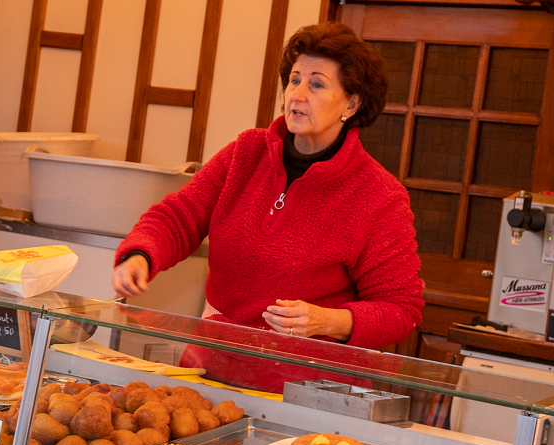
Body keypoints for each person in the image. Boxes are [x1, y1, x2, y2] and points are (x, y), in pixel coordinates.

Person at [111, 23, 424, 393]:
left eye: (317, 84)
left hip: (308, 388)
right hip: (210, 369)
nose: (298, 94)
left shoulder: (379, 196)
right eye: (294, 80)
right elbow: (179, 216)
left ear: (351, 104)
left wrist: (327, 321)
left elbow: (401, 309)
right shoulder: (246, 153)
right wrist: (140, 255)